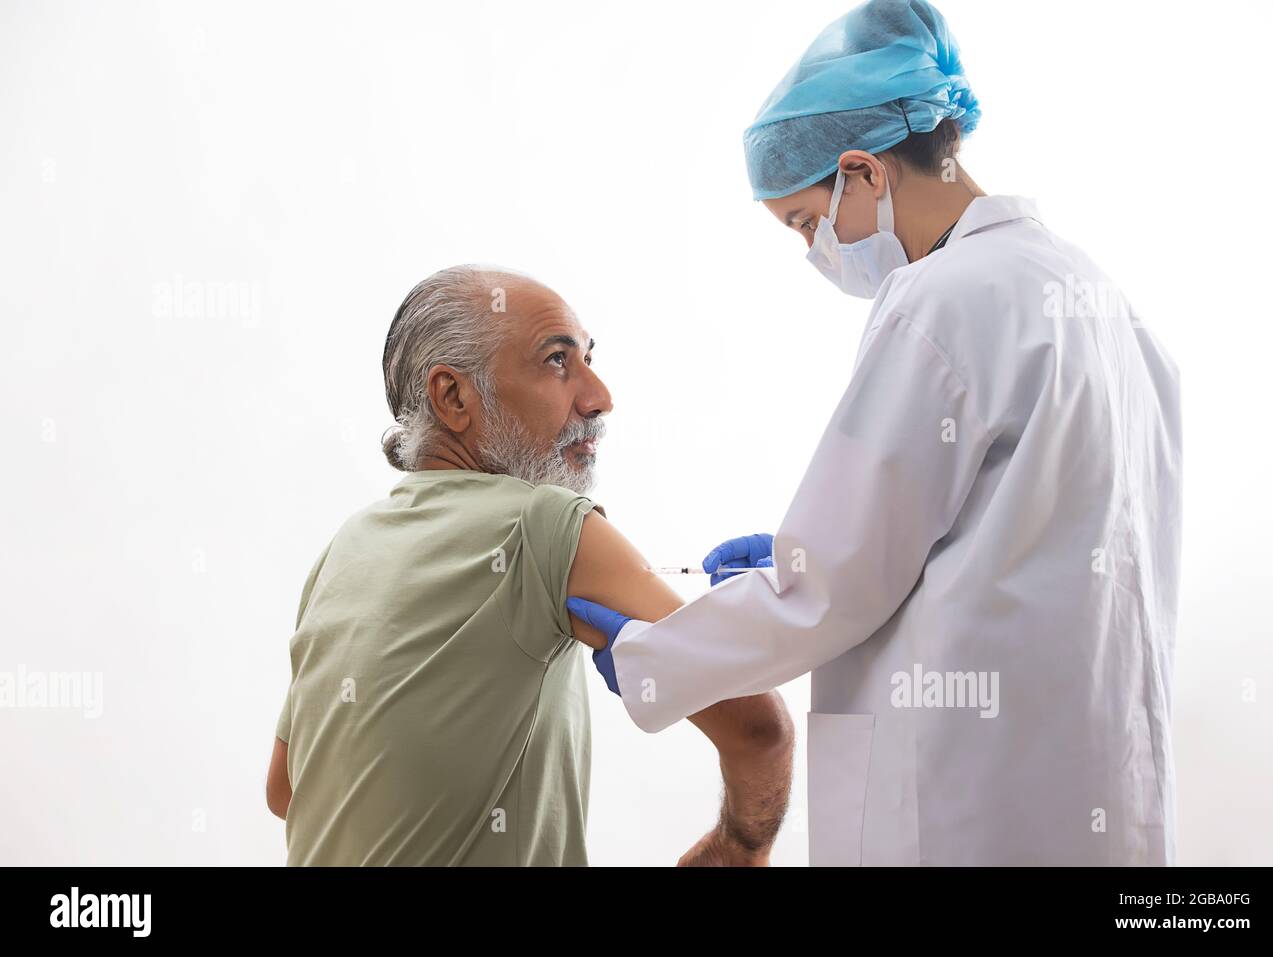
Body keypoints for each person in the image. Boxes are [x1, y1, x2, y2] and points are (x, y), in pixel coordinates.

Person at [567, 0, 1182, 866]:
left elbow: (834, 587)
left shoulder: (940, 301)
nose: (816, 250)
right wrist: (801, 557)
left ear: (861, 170)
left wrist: (653, 654)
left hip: (971, 801)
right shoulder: (1101, 302)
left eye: (806, 222)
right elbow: (1004, 536)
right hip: (1087, 778)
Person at [266, 265, 794, 866]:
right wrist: (740, 844)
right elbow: (759, 729)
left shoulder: (346, 546)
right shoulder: (545, 524)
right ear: (453, 397)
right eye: (556, 361)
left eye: (589, 359)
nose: (599, 397)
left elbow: (285, 790)